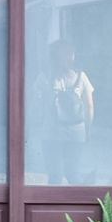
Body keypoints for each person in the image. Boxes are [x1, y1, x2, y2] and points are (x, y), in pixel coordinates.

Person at [37, 39, 94, 185]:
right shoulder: (82, 77)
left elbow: (36, 103)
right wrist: (87, 130)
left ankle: (52, 206)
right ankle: (81, 203)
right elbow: (89, 106)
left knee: (55, 176)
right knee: (73, 173)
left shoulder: (45, 77)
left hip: (51, 131)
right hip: (76, 132)